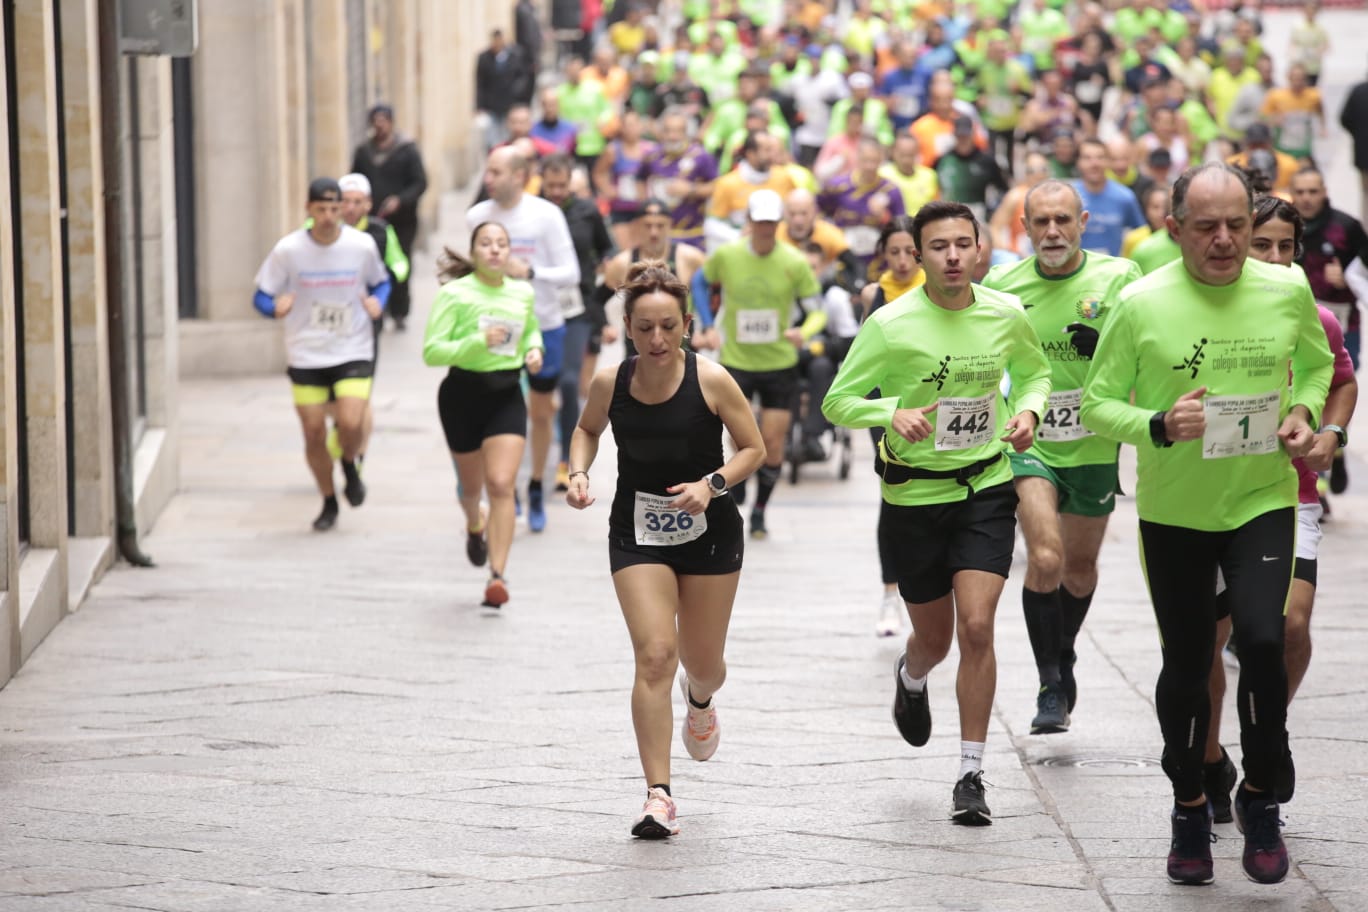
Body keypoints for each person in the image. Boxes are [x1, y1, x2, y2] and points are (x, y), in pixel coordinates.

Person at [1079, 162, 1332, 887]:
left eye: (1237, 226)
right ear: (1174, 228)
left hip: (1261, 499)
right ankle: (1189, 804)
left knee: (1264, 640)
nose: (1224, 240)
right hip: (1176, 511)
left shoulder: (1286, 288)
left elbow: (1316, 368)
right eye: (1206, 227)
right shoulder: (1141, 302)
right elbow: (1097, 404)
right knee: (1190, 664)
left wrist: (1304, 412)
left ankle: (1261, 797)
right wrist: (1159, 423)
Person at [823, 200, 1051, 826]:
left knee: (977, 626)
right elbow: (837, 401)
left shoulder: (1005, 313)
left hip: (986, 486)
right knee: (936, 640)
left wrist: (1028, 412)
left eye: (962, 244)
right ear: (919, 255)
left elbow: (1035, 374)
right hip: (915, 498)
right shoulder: (890, 324)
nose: (952, 257)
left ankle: (970, 774)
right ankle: (913, 675)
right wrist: (889, 411)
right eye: (938, 247)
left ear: (979, 248)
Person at [567, 260, 765, 839]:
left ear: (687, 325)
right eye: (645, 327)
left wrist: (712, 485)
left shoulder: (712, 379)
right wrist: (578, 472)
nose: (657, 339)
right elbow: (586, 429)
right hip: (637, 533)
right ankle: (659, 796)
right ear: (628, 326)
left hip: (710, 532)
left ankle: (700, 698)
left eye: (668, 327)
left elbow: (753, 448)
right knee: (655, 654)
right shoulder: (610, 382)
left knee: (703, 664)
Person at [1202, 193, 1357, 827]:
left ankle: (1268, 735)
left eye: (1284, 247)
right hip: (1204, 500)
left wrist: (1332, 434)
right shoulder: (1201, 311)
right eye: (1260, 244)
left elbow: (1342, 380)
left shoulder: (1313, 317)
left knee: (1289, 627)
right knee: (1205, 644)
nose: (1272, 258)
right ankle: (1210, 758)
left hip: (1288, 496)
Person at [982, 180, 1143, 734]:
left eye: (1063, 220)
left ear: (1083, 222)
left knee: (1078, 569)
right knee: (1046, 558)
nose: (1053, 231)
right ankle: (1050, 682)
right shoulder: (1002, 285)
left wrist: (1115, 363)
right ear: (1024, 227)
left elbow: (1147, 349)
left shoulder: (1119, 278)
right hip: (1029, 443)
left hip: (1094, 443)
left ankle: (1063, 651)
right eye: (1042, 221)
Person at [252, 177, 391, 531]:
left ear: (342, 209)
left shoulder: (361, 245)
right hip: (306, 352)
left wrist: (379, 303)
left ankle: (348, 463)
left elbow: (382, 281)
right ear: (308, 209)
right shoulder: (289, 249)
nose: (329, 217)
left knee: (351, 422)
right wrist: (273, 308)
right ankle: (329, 499)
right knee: (313, 433)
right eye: (321, 209)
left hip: (352, 346)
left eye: (334, 209)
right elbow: (261, 295)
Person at [423, 223, 545, 607]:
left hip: (506, 393)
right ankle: (475, 523)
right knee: (471, 488)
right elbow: (432, 351)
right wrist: (478, 341)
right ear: (474, 251)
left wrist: (534, 351)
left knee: (501, 483)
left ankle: (498, 575)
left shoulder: (522, 292)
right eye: (486, 243)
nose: (494, 250)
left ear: (509, 252)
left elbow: (531, 331)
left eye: (501, 244)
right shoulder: (455, 294)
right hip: (461, 395)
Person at [467, 146, 582, 534]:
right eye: (487, 171)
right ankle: (507, 488)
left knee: (540, 411)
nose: (488, 179)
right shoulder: (477, 217)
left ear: (519, 176)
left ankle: (535, 484)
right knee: (497, 410)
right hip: (496, 327)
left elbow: (570, 272)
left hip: (544, 324)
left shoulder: (546, 215)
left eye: (496, 172)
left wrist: (530, 272)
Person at [701, 189, 822, 539]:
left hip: (779, 364)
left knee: (771, 442)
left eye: (771, 223)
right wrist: (708, 325)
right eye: (760, 222)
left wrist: (804, 331)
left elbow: (817, 310)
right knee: (738, 437)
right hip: (736, 361)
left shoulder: (794, 261)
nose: (766, 229)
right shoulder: (728, 255)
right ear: (749, 221)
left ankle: (759, 511)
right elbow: (699, 282)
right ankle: (739, 481)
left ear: (778, 223)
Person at [857, 216, 924, 637]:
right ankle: (890, 593)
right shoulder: (874, 293)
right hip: (887, 406)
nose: (902, 261)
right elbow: (863, 358)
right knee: (895, 489)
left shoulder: (940, 289)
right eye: (893, 252)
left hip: (934, 401)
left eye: (909, 252)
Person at [539, 155, 616, 493]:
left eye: (562, 185)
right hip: (538, 308)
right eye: (550, 186)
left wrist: (602, 291)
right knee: (542, 385)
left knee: (570, 382)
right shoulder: (533, 212)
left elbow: (606, 249)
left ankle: (565, 461)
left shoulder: (586, 210)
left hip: (577, 308)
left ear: (570, 182)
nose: (556, 192)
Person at [351, 104, 427, 332]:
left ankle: (400, 310)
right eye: (376, 120)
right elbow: (355, 178)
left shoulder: (407, 150)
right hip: (373, 221)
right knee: (375, 263)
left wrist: (400, 200)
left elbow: (420, 182)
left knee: (400, 264)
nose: (380, 125)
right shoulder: (364, 152)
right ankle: (379, 305)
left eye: (384, 120)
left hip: (402, 221)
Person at [818, 138, 906, 280]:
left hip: (878, 260)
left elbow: (902, 229)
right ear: (857, 158)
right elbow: (819, 214)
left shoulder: (891, 190)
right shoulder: (837, 186)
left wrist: (884, 218)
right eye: (866, 160)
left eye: (874, 161)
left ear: (881, 160)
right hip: (843, 256)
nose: (870, 166)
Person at [637, 109, 719, 251]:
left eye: (677, 131)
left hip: (692, 233)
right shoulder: (652, 156)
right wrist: (645, 204)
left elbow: (717, 187)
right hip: (660, 235)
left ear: (686, 132)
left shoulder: (701, 156)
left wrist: (691, 189)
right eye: (668, 131)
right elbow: (639, 178)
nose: (672, 136)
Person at [704, 130, 797, 252]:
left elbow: (794, 214)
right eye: (767, 150)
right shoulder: (727, 183)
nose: (772, 155)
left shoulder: (784, 177)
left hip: (779, 247)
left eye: (772, 149)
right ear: (750, 154)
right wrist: (738, 235)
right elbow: (711, 224)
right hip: (742, 248)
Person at [594, 110, 656, 250]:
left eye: (634, 124)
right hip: (620, 208)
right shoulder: (613, 150)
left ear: (640, 126)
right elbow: (599, 173)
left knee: (644, 250)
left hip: (644, 208)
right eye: (627, 125)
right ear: (621, 127)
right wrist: (608, 190)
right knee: (626, 251)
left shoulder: (650, 150)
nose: (631, 129)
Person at [1074, 138, 1145, 256]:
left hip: (1113, 265)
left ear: (1108, 161)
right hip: (1078, 266)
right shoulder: (1069, 197)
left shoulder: (1125, 197)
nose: (1094, 163)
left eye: (1100, 157)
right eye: (1087, 158)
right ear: (1078, 162)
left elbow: (1141, 233)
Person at [934, 116, 1009, 225]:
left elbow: (1003, 189)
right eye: (960, 136)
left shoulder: (986, 161)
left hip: (978, 213)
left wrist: (993, 210)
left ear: (972, 135)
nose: (963, 140)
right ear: (954, 135)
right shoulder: (943, 160)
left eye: (966, 136)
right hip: (950, 213)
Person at [476, 29, 534, 151]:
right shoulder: (484, 58)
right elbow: (480, 83)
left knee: (507, 132)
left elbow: (523, 76)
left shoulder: (515, 55)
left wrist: (518, 94)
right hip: (492, 104)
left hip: (509, 102)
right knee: (492, 136)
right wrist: (479, 106)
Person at [1339, 71, 1368, 223]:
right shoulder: (1358, 91)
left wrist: (1358, 134)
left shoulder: (1358, 91)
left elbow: (1345, 118)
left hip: (1364, 151)